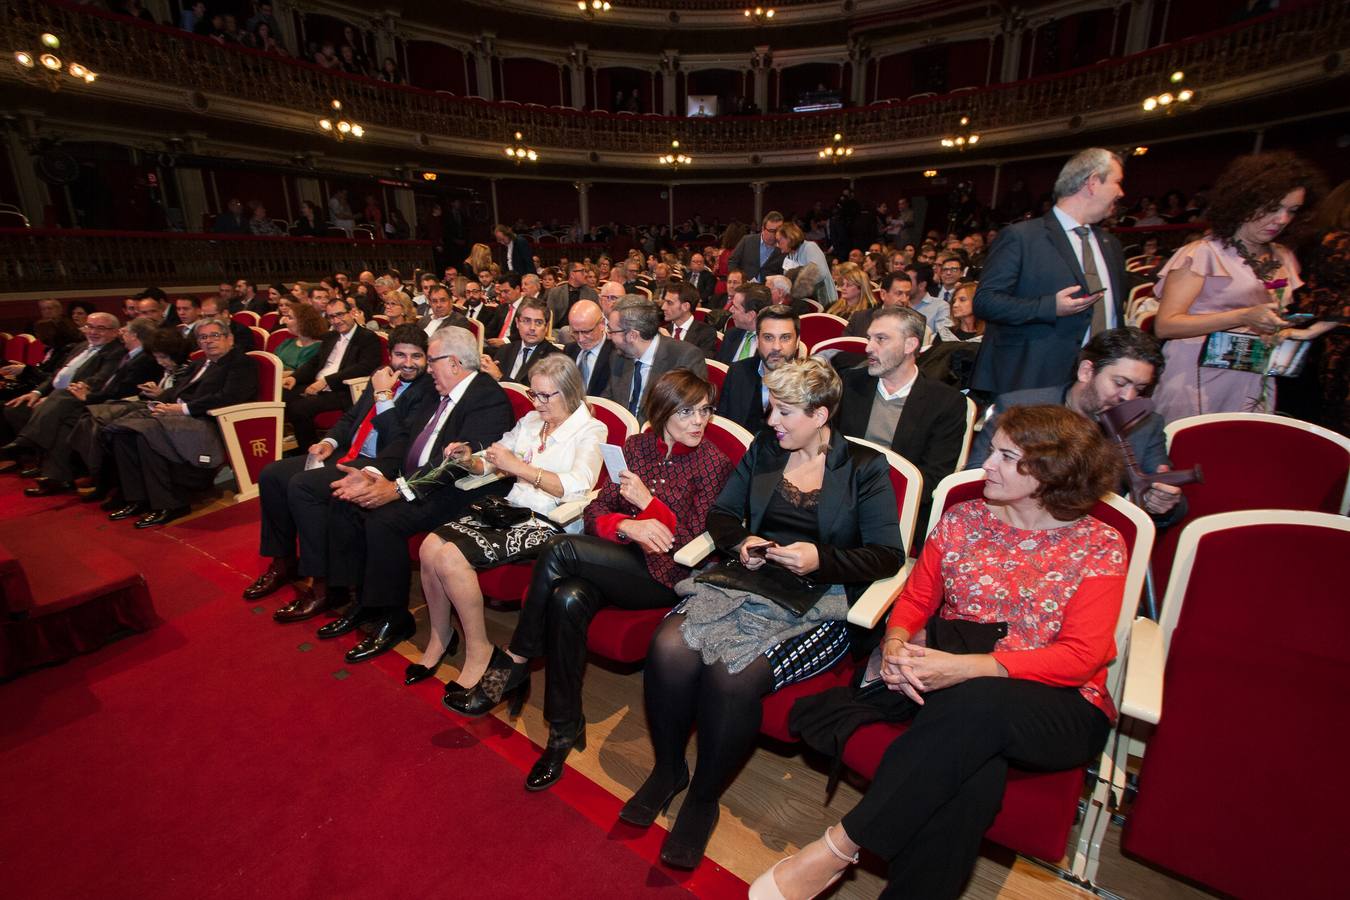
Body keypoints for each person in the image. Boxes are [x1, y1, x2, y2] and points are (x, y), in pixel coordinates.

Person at [750, 405, 1126, 900]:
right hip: (954, 696)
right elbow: (916, 599)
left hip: (1061, 704)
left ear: (1051, 474)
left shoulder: (1099, 544)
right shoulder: (963, 519)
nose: (986, 464)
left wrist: (965, 668)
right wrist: (897, 645)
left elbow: (1081, 656)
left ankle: (839, 848)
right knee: (972, 777)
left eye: (1007, 456)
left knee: (977, 701)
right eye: (993, 450)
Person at [624, 358, 902, 870]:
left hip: (820, 600)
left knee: (733, 675)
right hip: (747, 578)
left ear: (821, 415)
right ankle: (668, 770)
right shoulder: (766, 449)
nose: (773, 420)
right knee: (668, 646)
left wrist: (824, 558)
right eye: (772, 408)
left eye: (786, 411)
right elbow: (722, 515)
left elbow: (889, 555)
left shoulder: (864, 468)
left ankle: (703, 796)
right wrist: (742, 542)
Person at [458, 370, 734, 790]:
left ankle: (515, 660)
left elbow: (695, 544)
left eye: (705, 411)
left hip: (665, 575)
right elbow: (594, 513)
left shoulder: (713, 463)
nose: (699, 421)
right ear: (661, 411)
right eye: (687, 411)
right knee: (568, 598)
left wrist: (649, 506)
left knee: (559, 548)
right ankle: (562, 729)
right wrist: (628, 525)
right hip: (618, 558)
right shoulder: (635, 447)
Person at [317, 327, 515, 663]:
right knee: (350, 502)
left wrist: (397, 490)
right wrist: (373, 474)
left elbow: (454, 465)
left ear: (453, 362)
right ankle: (364, 601)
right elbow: (407, 442)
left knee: (383, 520)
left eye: (432, 360)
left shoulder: (487, 396)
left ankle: (394, 617)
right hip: (416, 478)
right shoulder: (438, 391)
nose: (427, 368)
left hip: (457, 491)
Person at [416, 355, 605, 698]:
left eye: (547, 396)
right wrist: (469, 459)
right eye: (534, 394)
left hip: (550, 521)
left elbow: (578, 486)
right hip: (511, 510)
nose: (538, 403)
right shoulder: (532, 420)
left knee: (449, 558)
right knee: (430, 545)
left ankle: (480, 651)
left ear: (570, 393)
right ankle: (440, 635)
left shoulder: (590, 430)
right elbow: (492, 461)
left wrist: (518, 467)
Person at [244, 326, 436, 621]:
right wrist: (328, 441)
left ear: (427, 358)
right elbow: (352, 417)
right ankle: (283, 562)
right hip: (349, 451)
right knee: (272, 475)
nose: (408, 363)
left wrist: (384, 395)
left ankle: (325, 585)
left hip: (379, 464)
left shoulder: (428, 391)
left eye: (416, 356)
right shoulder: (381, 375)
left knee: (303, 486)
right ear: (390, 354)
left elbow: (399, 440)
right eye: (400, 354)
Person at [1150, 151, 1329, 420]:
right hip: (1195, 375)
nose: (1281, 219)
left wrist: (1286, 331)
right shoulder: (1202, 253)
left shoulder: (1283, 256)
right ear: (1244, 202)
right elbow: (1166, 325)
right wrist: (1243, 316)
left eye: (1291, 211)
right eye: (1272, 207)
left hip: (1253, 372)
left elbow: (1274, 316)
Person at [967, 327, 1186, 527]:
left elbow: (1173, 508)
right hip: (1012, 527)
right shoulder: (1022, 408)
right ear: (1086, 371)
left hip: (1097, 543)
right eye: (1119, 383)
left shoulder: (1144, 425)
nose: (1128, 397)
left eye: (1139, 389)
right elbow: (973, 479)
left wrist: (1159, 503)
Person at [972, 148, 1128, 397]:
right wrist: (1049, 307)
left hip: (1098, 384)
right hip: (1034, 380)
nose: (1121, 192)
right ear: (1093, 182)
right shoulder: (1021, 237)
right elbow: (986, 302)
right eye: (1117, 182)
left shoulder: (1111, 246)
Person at [104, 319, 258, 528]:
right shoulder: (199, 363)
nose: (209, 341)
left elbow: (229, 397)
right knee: (125, 432)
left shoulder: (241, 362)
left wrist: (182, 409)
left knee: (145, 434)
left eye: (215, 336)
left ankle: (171, 504)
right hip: (177, 417)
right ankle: (136, 498)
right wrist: (161, 402)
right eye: (203, 337)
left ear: (229, 338)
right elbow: (177, 391)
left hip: (208, 421)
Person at [835, 306, 968, 524]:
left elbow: (933, 476)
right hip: (841, 498)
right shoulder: (851, 383)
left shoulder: (945, 403)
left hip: (898, 509)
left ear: (910, 345)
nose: (868, 347)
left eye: (881, 339)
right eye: (869, 338)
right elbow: (830, 447)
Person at [19, 317, 162, 496]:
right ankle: (58, 476)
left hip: (122, 405)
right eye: (90, 327)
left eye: (124, 331)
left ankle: (98, 480)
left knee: (68, 407)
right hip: (106, 401)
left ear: (134, 335)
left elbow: (120, 391)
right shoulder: (129, 355)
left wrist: (89, 397)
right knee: (66, 419)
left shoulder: (142, 359)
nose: (121, 335)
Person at [283, 297, 383, 450]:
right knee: (283, 394)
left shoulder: (367, 337)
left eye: (340, 315)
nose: (336, 320)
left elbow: (364, 367)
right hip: (318, 385)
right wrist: (294, 377)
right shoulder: (330, 337)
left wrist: (326, 381)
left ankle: (310, 450)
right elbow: (315, 362)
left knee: (299, 408)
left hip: (342, 390)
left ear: (352, 313)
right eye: (331, 317)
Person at [600, 297, 708, 422]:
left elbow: (688, 417)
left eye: (612, 331)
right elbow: (609, 402)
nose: (608, 336)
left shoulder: (685, 358)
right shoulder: (618, 356)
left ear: (632, 335)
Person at [717, 305, 799, 435]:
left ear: (797, 342)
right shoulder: (738, 372)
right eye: (768, 337)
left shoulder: (810, 384)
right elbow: (723, 425)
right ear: (757, 340)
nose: (776, 347)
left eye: (785, 338)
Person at [481, 297, 560, 384]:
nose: (532, 328)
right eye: (526, 321)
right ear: (517, 323)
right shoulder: (505, 350)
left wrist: (499, 377)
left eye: (538, 322)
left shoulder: (555, 358)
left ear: (546, 327)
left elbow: (533, 394)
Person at [776, 221, 838, 307]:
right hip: (804, 302)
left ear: (789, 238)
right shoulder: (789, 256)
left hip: (822, 301)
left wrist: (795, 286)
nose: (777, 245)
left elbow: (820, 273)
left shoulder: (809, 247)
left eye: (779, 241)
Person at [562, 300, 612, 395]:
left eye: (586, 332)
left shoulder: (615, 354)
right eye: (575, 332)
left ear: (602, 324)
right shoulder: (569, 350)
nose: (581, 339)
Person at [661, 282, 718, 357]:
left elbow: (698, 364)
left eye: (669, 303)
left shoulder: (706, 333)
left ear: (685, 306)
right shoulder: (663, 330)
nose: (663, 307)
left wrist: (671, 343)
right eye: (664, 301)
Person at [727, 212, 786, 283]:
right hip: (745, 287)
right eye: (771, 231)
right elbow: (733, 261)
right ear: (763, 229)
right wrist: (737, 280)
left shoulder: (783, 248)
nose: (775, 234)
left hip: (768, 291)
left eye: (778, 231)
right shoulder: (747, 241)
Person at [273, 302, 326, 371]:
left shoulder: (316, 348)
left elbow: (300, 373)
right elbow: (273, 362)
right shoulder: (287, 342)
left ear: (303, 322)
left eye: (290, 318)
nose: (285, 321)